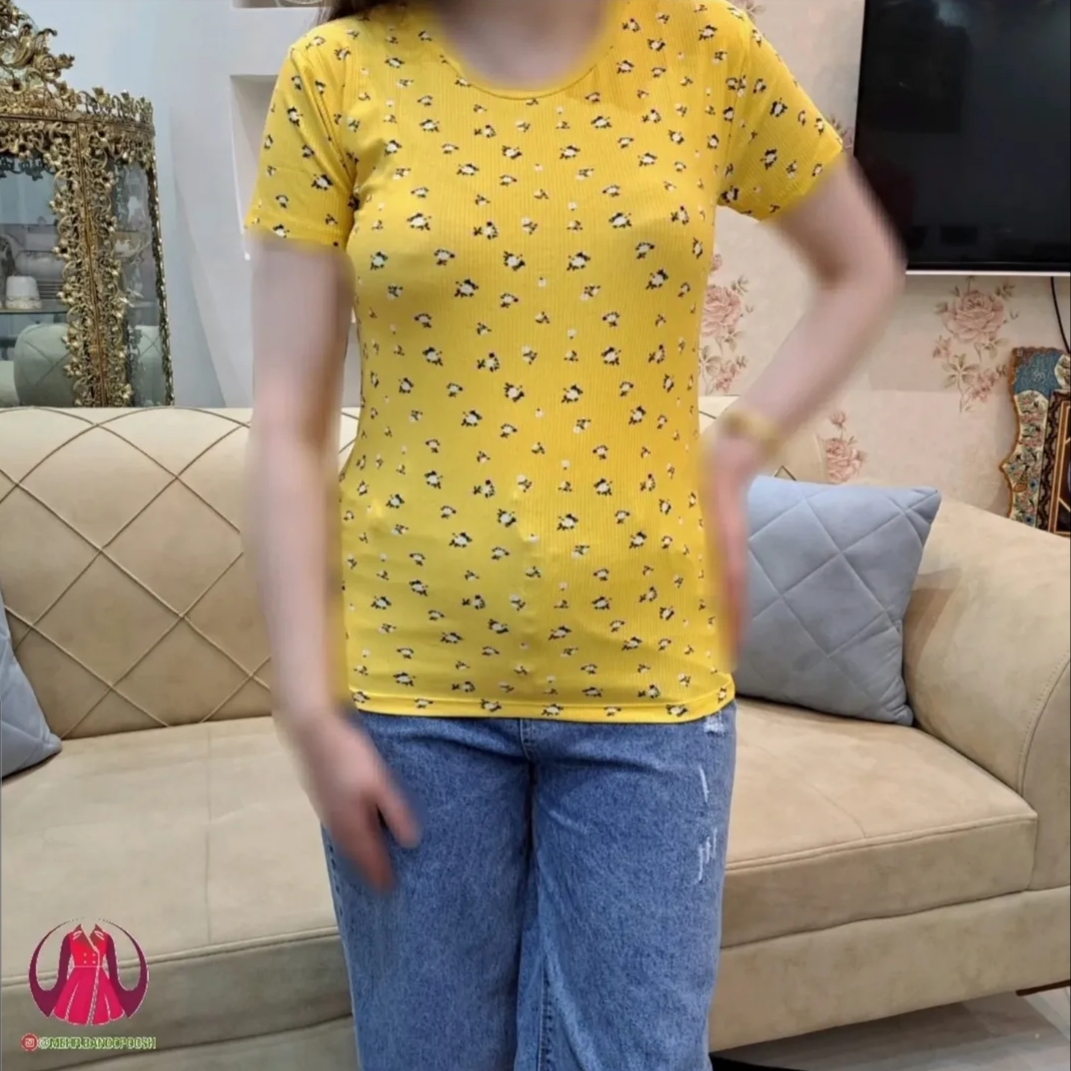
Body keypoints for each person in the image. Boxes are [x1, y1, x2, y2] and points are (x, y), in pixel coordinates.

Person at [243, 1, 903, 1068]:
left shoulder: (707, 48)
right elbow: (286, 420)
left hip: (651, 682)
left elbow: (863, 266)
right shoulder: (336, 73)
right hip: (409, 684)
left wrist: (734, 453)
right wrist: (308, 704)